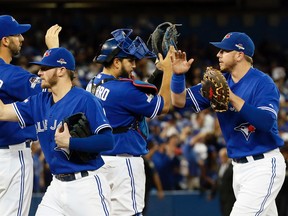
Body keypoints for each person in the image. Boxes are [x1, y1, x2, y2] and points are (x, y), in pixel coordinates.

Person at [170, 32, 286, 215]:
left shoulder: (263, 83)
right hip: (238, 168)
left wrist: (231, 98)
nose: (218, 55)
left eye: (224, 51)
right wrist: (177, 76)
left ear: (239, 55)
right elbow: (179, 102)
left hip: (263, 165)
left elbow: (266, 121)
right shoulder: (219, 84)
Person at [0, 47, 115, 215]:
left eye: (45, 68)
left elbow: (107, 141)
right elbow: (2, 112)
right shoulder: (38, 101)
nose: (39, 73)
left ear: (61, 70)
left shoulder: (85, 100)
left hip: (86, 185)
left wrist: (70, 142)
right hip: (56, 187)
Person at [86, 28, 173, 215]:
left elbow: (135, 95)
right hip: (123, 164)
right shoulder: (124, 90)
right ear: (116, 62)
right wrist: (168, 72)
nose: (134, 65)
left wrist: (157, 74)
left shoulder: (92, 83)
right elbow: (164, 106)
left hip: (99, 161)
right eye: (130, 60)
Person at [0, 15, 60, 216]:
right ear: (5, 40)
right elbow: (53, 88)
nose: (22, 39)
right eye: (17, 34)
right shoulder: (11, 74)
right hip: (10, 157)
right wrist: (54, 51)